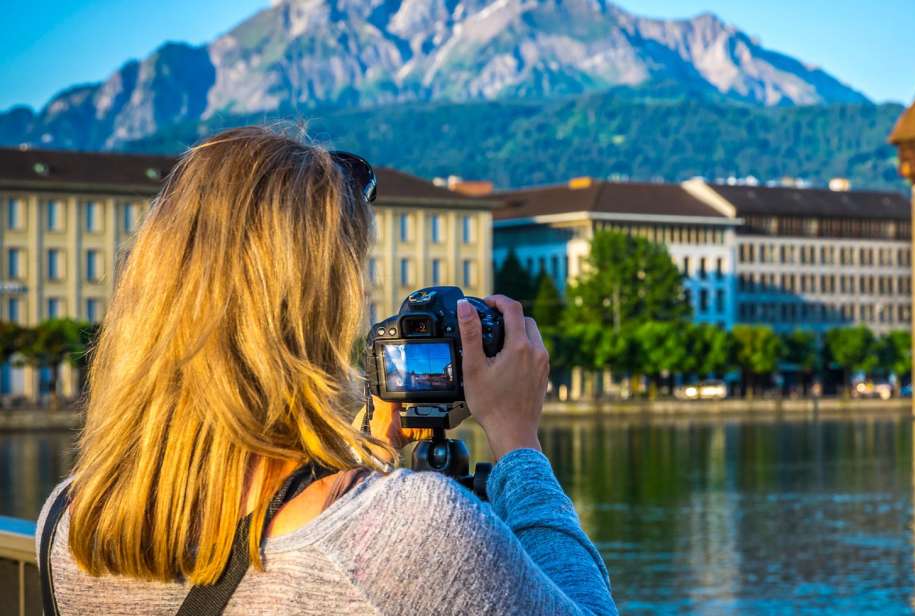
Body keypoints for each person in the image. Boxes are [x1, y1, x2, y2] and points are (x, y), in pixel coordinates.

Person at [35, 127, 617, 615]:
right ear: (323, 307)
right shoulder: (411, 533)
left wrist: (367, 455)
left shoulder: (68, 523)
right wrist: (519, 443)